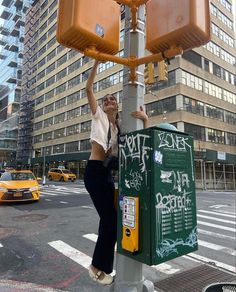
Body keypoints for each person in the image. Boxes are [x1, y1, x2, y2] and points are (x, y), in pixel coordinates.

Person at [84, 60, 148, 285]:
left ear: (118, 106)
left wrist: (145, 120)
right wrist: (96, 63)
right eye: (106, 100)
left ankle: (101, 266)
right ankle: (97, 267)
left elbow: (134, 146)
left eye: (113, 99)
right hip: (94, 172)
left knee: (110, 219)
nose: (109, 101)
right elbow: (89, 89)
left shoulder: (118, 127)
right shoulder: (98, 116)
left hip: (107, 176)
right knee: (110, 221)